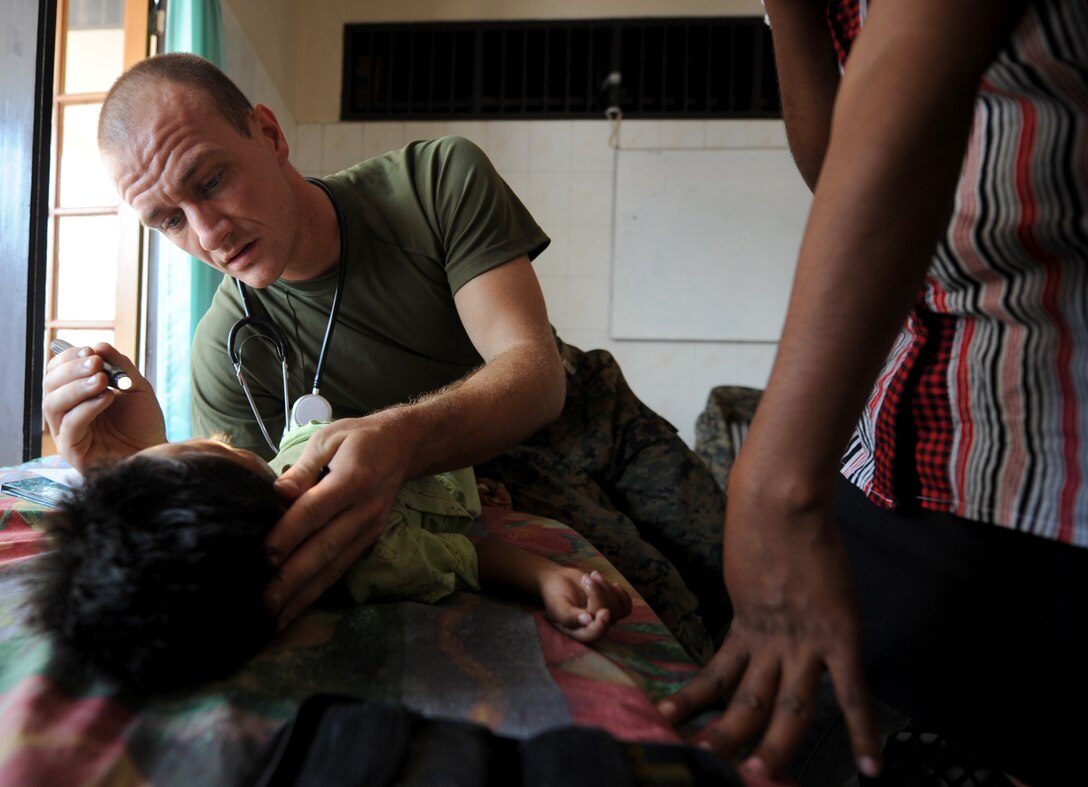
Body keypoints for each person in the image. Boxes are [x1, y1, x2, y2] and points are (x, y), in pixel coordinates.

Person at [40, 53, 728, 665]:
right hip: (489, 488)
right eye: (169, 220)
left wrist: (398, 438)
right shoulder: (226, 356)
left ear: (271, 135)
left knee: (748, 572)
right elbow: (253, 541)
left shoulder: (435, 182)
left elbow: (535, 373)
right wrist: (127, 468)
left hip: (587, 414)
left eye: (211, 179)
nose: (209, 233)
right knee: (669, 623)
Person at [657, 1, 1088, 785]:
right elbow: (835, 165)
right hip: (903, 449)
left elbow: (911, 63)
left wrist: (774, 484)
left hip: (1054, 469)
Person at [28, 419, 632, 694]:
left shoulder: (299, 457)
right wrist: (550, 575)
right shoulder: (374, 557)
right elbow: (473, 553)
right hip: (494, 464)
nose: (203, 435)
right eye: (190, 445)